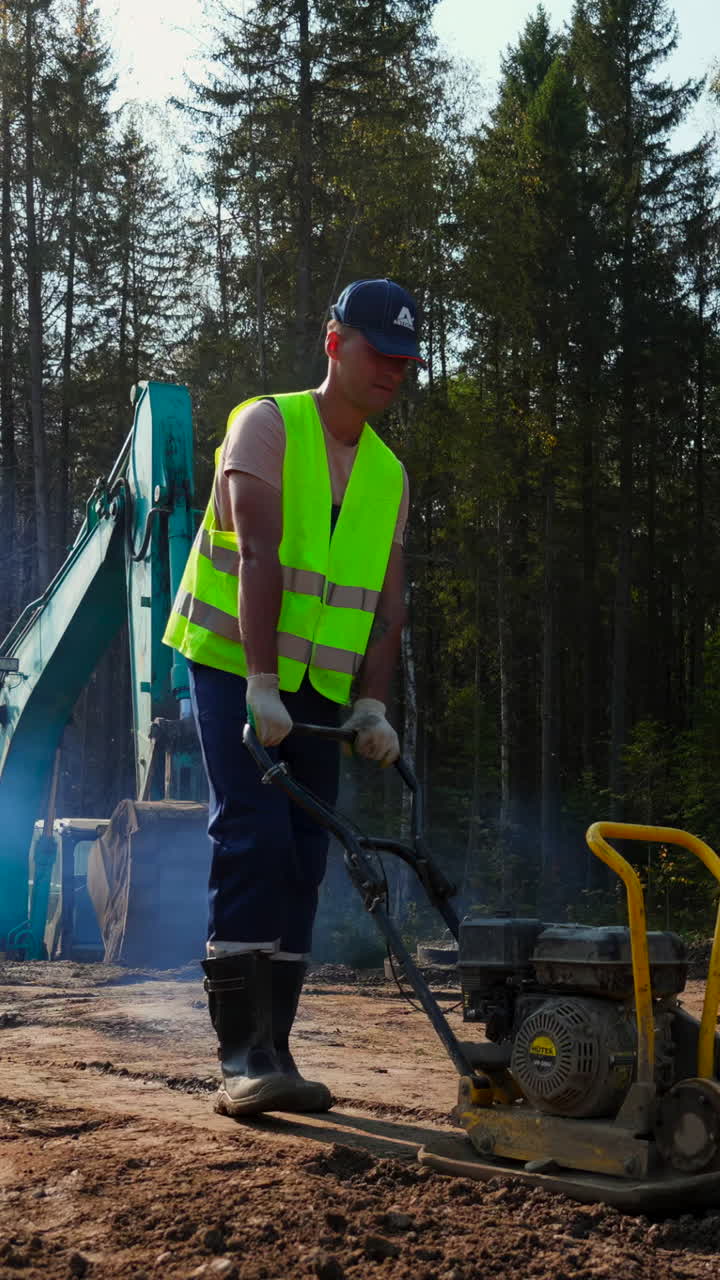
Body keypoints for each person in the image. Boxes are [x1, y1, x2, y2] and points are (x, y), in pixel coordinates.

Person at [163, 277, 423, 1119]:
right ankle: (241, 1057)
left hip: (320, 691)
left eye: (403, 359)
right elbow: (258, 554)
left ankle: (276, 1048)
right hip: (236, 664)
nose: (391, 369)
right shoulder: (266, 423)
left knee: (310, 858)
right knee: (255, 837)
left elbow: (387, 606)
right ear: (332, 339)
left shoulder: (389, 474)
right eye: (377, 350)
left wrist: (374, 708)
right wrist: (262, 685)